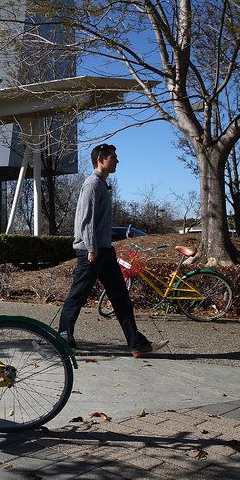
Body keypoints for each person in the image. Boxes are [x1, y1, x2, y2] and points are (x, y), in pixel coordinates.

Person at [58, 144, 168, 358]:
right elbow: (85, 220)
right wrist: (91, 248)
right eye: (113, 157)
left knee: (120, 297)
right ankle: (63, 338)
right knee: (78, 296)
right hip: (92, 251)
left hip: (104, 251)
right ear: (101, 159)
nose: (117, 161)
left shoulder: (101, 184)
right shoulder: (92, 184)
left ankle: (137, 344)